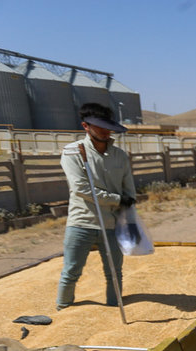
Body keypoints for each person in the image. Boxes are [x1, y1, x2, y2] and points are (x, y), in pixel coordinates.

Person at [57, 103, 136, 310]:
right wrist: (117, 199)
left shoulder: (120, 155)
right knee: (71, 271)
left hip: (112, 224)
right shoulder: (73, 152)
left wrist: (129, 204)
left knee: (114, 270)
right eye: (99, 126)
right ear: (85, 126)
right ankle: (63, 310)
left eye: (107, 126)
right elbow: (81, 188)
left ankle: (113, 306)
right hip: (82, 222)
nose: (104, 131)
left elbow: (129, 188)